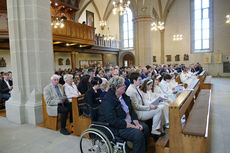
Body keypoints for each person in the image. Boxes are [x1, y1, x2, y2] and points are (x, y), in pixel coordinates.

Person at [97, 76, 149, 153]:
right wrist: (132, 126)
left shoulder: (123, 96)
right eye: (123, 85)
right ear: (116, 88)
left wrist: (136, 122)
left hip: (128, 121)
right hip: (117, 127)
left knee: (145, 128)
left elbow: (131, 110)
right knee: (138, 134)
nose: (125, 86)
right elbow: (112, 120)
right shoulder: (108, 101)